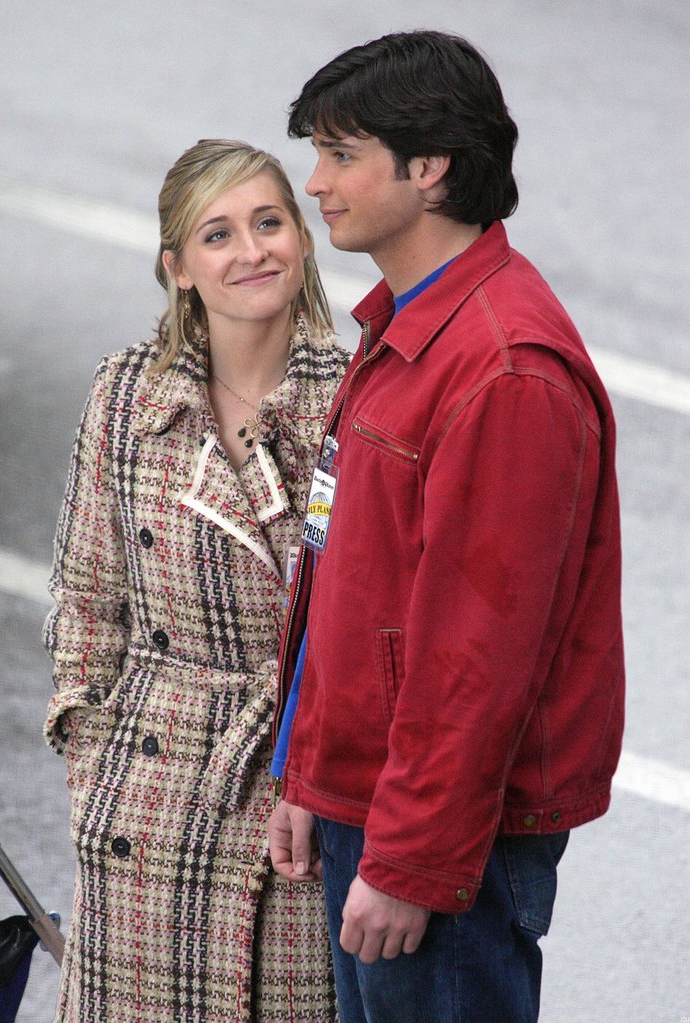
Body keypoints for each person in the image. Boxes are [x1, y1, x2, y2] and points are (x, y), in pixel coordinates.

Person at [267, 31, 625, 1023]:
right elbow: (352, 583)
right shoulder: (411, 320)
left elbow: (478, 655)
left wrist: (413, 861)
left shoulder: (504, 370)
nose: (315, 182)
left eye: (341, 154)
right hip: (375, 802)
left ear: (428, 168)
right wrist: (309, 773)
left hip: (438, 838)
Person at [43, 138, 349, 1023]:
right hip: (144, 804)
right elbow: (87, 600)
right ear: (178, 267)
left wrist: (312, 780)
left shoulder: (354, 398)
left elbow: (369, 627)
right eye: (218, 235)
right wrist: (93, 760)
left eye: (268, 223)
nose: (251, 251)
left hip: (290, 801)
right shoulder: (127, 394)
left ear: (301, 238)